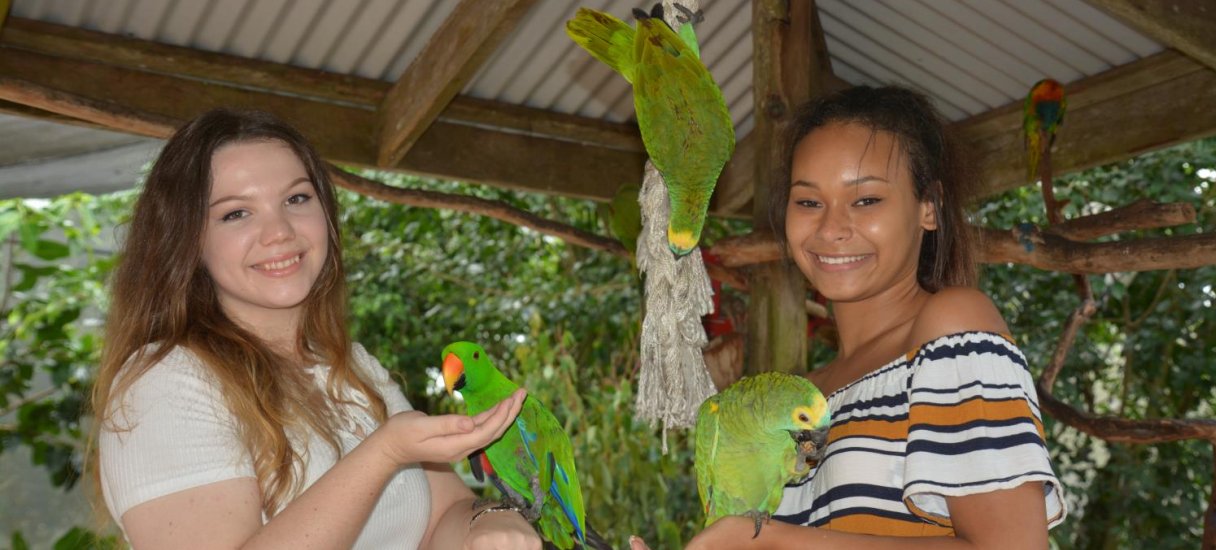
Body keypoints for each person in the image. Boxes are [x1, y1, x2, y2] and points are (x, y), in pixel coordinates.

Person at [633, 85, 1066, 549]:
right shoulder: (804, 398)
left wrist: (775, 540)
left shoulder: (954, 329)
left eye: (866, 200)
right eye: (808, 202)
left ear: (930, 208)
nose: (831, 228)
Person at [89, 108, 541, 550]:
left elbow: (443, 514)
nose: (279, 231)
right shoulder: (166, 382)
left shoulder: (352, 365)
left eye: (296, 199)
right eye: (236, 213)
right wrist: (384, 452)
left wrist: (488, 521)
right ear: (187, 240)